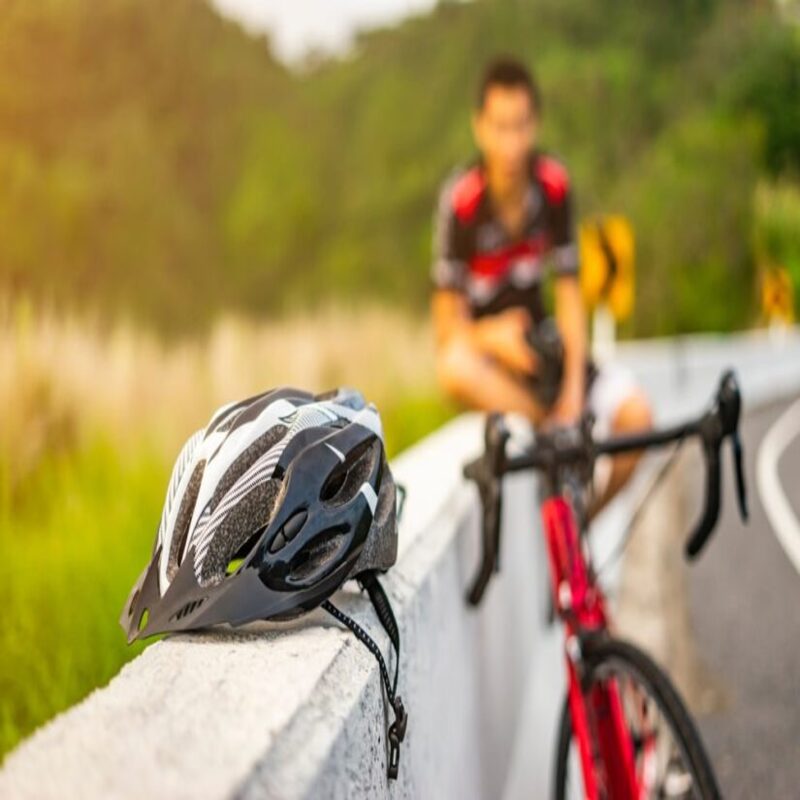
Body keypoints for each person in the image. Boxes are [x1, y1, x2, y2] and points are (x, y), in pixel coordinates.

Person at [431, 57, 652, 515]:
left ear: (535, 125)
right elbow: (446, 327)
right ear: (480, 127)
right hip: (497, 368)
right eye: (500, 127)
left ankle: (585, 518)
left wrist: (572, 390)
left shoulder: (552, 184)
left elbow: (570, 293)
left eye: (521, 126)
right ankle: (548, 431)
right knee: (453, 366)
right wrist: (492, 335)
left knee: (638, 418)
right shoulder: (462, 201)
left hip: (547, 354)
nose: (511, 143)